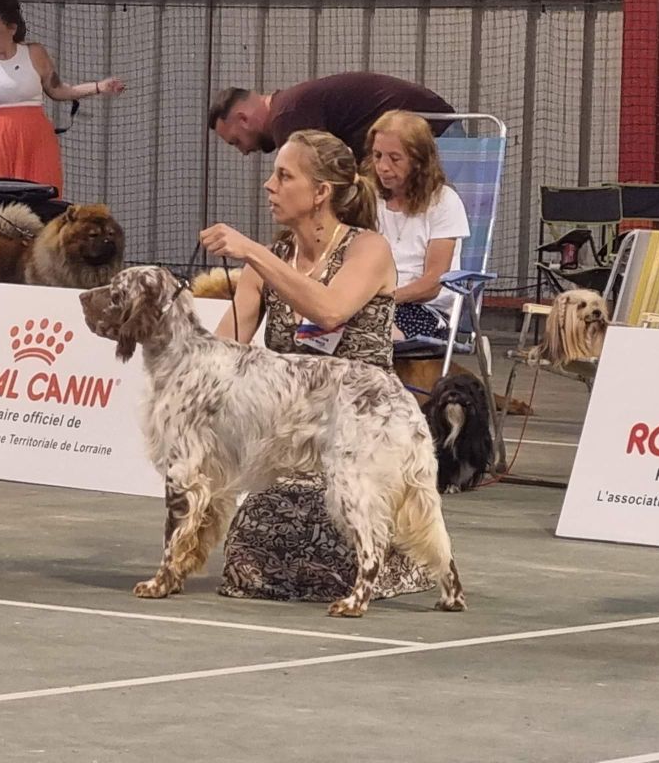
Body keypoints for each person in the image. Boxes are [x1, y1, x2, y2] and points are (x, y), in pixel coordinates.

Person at [198, 129, 435, 601]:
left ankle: (384, 560)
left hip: (367, 429)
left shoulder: (369, 249)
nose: (269, 185)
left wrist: (255, 253)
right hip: (297, 439)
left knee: (337, 516)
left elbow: (329, 310)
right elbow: (221, 353)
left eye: (284, 176)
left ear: (321, 192)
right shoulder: (269, 261)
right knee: (256, 537)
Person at [0, 0, 125, 195]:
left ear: (12, 28)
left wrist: (99, 87)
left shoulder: (34, 53)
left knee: (41, 197)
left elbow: (58, 89)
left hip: (35, 137)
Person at [365, 110, 469, 340]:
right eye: (377, 155)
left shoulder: (444, 202)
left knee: (368, 334)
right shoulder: (369, 198)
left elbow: (432, 284)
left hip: (422, 309)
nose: (382, 166)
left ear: (419, 161)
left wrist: (382, 298)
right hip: (367, 302)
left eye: (394, 158)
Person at [208, 72, 455, 163]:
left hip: (436, 137)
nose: (243, 151)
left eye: (236, 141)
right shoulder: (290, 107)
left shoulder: (286, 119)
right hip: (441, 129)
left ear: (243, 119)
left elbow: (317, 180)